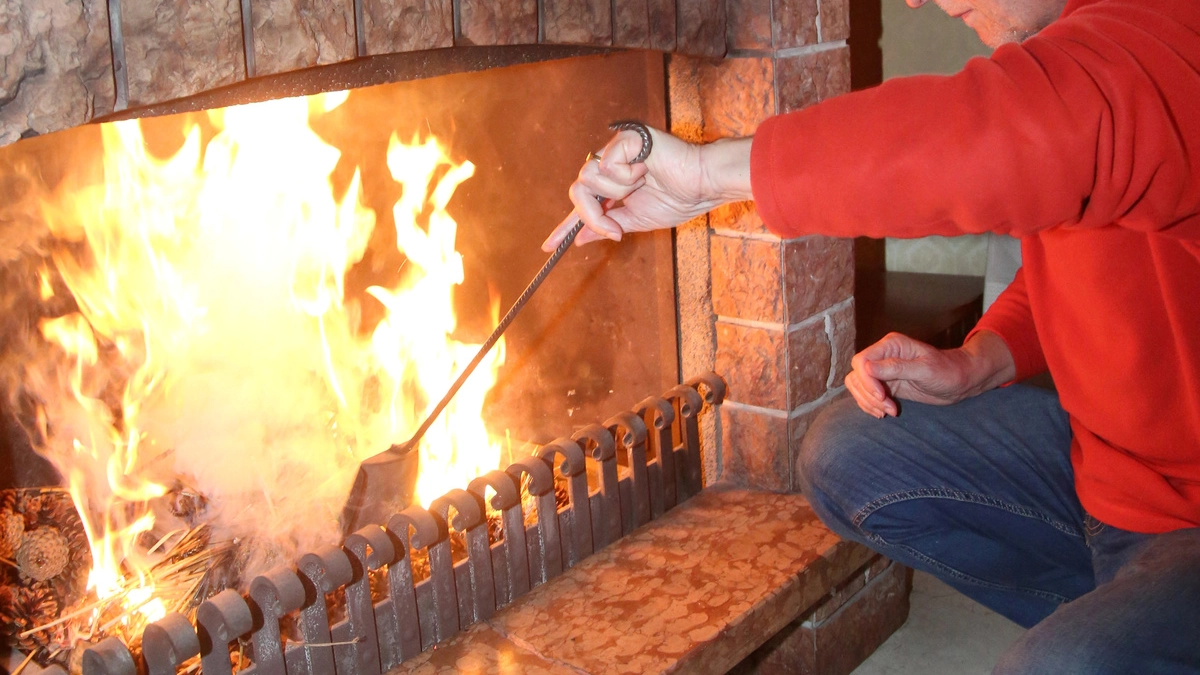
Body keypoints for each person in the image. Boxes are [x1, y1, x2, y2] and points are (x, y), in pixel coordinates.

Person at [543, 0, 1200, 672]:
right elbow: (1077, 262)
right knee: (845, 452)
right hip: (1109, 479)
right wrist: (977, 359)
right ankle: (1135, 614)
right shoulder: (1082, 54)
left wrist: (712, 174)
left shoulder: (1167, 29)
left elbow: (995, 133)